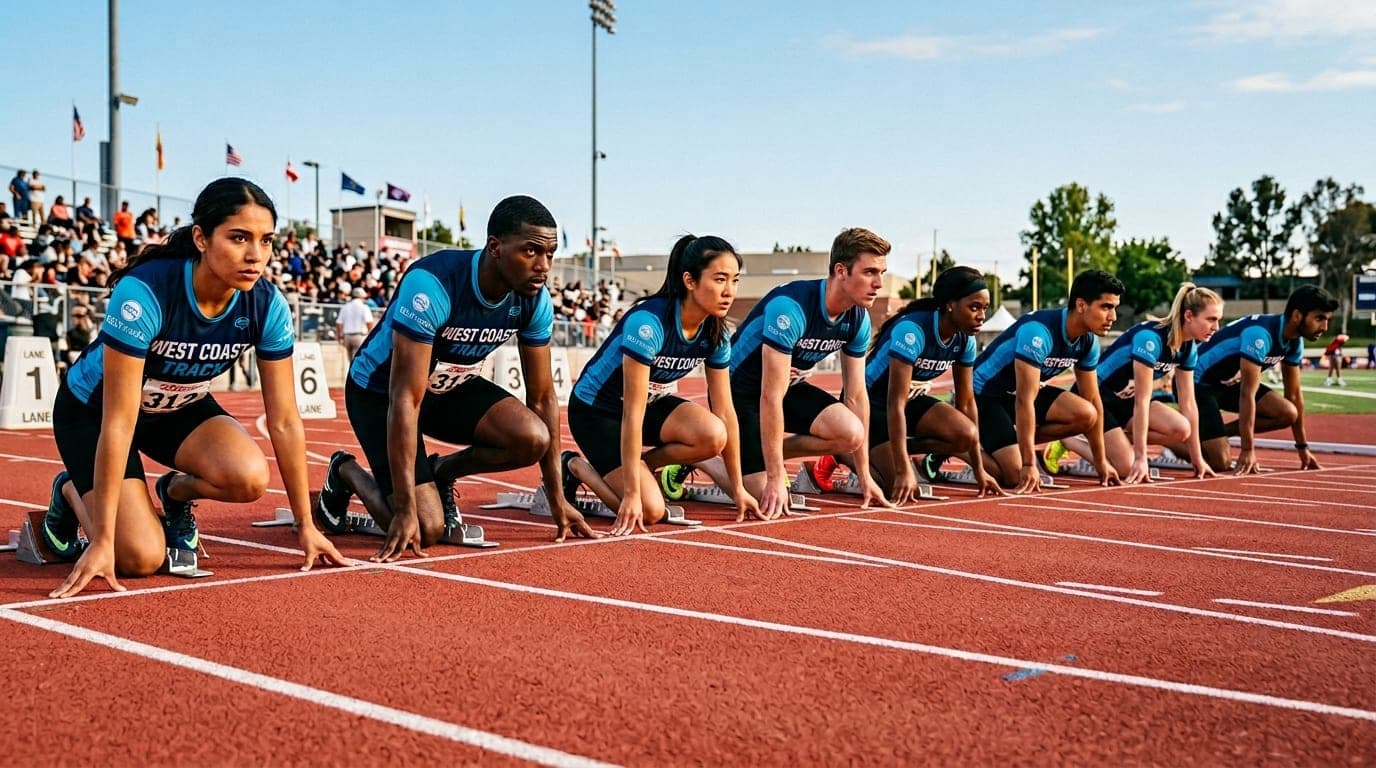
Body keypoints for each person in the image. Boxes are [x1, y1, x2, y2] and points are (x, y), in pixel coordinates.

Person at [44, 177, 349, 598]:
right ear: (202, 238)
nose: (255, 255)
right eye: (239, 238)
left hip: (176, 406)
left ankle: (172, 492)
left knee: (249, 478)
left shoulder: (267, 304)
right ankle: (71, 489)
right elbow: (118, 420)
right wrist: (101, 541)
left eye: (266, 241)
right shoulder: (146, 292)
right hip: (96, 412)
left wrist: (306, 526)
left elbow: (283, 420)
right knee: (138, 559)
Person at [318, 195, 595, 559]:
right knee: (424, 527)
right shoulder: (433, 284)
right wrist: (403, 510)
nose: (543, 266)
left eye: (550, 254)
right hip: (381, 392)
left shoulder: (534, 300)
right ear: (495, 247)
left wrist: (556, 498)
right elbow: (405, 398)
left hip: (446, 388)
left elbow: (542, 397)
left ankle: (443, 471)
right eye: (530, 251)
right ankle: (346, 472)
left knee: (532, 437)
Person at [682, 227, 891, 517]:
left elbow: (856, 395)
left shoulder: (858, 319)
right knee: (764, 497)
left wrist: (865, 475)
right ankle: (703, 460)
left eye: (881, 272)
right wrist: (773, 477)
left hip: (787, 388)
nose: (879, 283)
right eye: (870, 272)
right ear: (841, 271)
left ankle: (759, 452)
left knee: (851, 433)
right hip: (741, 391)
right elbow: (770, 396)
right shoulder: (791, 309)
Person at [564, 235, 760, 534]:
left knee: (713, 434)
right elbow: (632, 412)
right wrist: (630, 494)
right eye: (720, 279)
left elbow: (725, 412)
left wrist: (738, 488)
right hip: (597, 412)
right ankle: (573, 467)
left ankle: (639, 466)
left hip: (650, 405)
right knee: (651, 511)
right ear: (689, 281)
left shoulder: (717, 334)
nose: (729, 291)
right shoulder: (649, 325)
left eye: (735, 280)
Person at [1046, 283, 1224, 481]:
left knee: (1182, 429)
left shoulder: (1189, 349)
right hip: (1098, 398)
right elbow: (1142, 399)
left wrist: (1197, 458)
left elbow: (1189, 404)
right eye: (1211, 319)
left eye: (1218, 320)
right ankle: (1070, 439)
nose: (1216, 327)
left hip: (1126, 401)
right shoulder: (1150, 340)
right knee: (1126, 468)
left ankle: (1112, 443)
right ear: (1189, 316)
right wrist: (1141, 458)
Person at [971, 270, 1124, 493]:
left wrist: (1101, 462)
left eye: (1115, 308)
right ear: (1081, 305)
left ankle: (1007, 445)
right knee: (1015, 475)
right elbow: (1025, 401)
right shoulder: (1039, 333)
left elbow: (1093, 399)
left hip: (1018, 396)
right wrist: (1028, 463)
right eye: (1106, 307)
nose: (1113, 317)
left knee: (1087, 413)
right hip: (985, 395)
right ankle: (962, 447)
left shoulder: (1088, 342)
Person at [858, 266, 1001, 502]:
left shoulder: (965, 340)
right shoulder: (912, 331)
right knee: (897, 484)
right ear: (950, 304)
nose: (981, 316)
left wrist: (979, 470)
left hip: (908, 402)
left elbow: (966, 403)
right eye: (974, 307)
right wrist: (904, 469)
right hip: (872, 401)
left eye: (984, 308)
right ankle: (844, 453)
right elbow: (895, 403)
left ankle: (891, 449)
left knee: (966, 434)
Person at [1185, 284, 1337, 474]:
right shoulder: (1259, 335)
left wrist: (1303, 448)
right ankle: (1174, 440)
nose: (1324, 327)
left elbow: (1294, 395)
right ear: (1297, 315)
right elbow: (1246, 394)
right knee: (1220, 462)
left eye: (1327, 319)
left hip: (1225, 384)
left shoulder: (1294, 342)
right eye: (1319, 318)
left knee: (1288, 412)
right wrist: (1248, 450)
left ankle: (1216, 434)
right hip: (1198, 383)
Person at [335, 286, 374, 367]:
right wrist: (371, 336)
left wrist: (340, 337)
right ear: (361, 297)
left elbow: (339, 323)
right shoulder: (364, 307)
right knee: (359, 362)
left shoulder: (345, 307)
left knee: (350, 362)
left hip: (347, 337)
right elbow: (369, 322)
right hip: (359, 336)